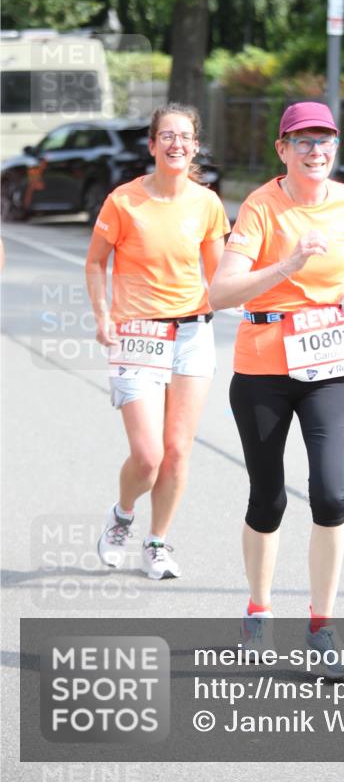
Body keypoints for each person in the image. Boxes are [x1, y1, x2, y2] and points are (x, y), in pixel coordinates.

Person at [209, 100, 344, 674]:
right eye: (304, 142)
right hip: (263, 365)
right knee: (269, 498)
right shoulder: (261, 207)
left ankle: (321, 626)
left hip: (328, 362)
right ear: (282, 150)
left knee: (332, 495)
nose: (317, 151)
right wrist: (286, 265)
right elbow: (221, 292)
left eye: (326, 141)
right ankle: (258, 611)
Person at [86, 103, 229, 579]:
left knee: (177, 449)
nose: (176, 144)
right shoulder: (123, 202)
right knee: (147, 456)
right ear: (152, 146)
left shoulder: (207, 203)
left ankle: (158, 542)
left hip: (191, 334)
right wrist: (103, 316)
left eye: (185, 136)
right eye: (166, 135)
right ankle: (123, 515)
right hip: (137, 334)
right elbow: (95, 262)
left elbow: (222, 274)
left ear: (194, 147)